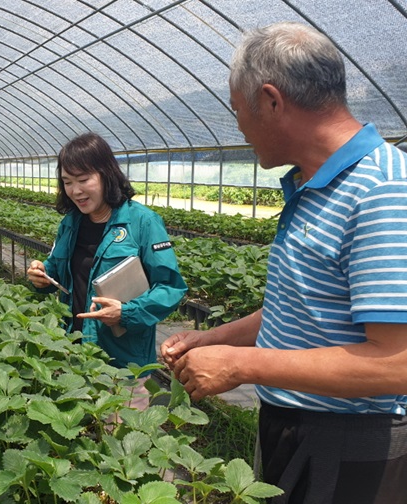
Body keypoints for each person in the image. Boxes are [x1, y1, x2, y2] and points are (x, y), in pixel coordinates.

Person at [160, 22, 407, 503]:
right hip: (295, 427)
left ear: (272, 101)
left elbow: (398, 361)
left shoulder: (383, 191)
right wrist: (211, 338)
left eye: (238, 110)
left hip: (352, 446)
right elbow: (298, 308)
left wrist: (241, 364)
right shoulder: (312, 186)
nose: (237, 126)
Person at [27, 132, 187, 410]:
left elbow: (171, 287)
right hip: (73, 354)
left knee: (120, 441)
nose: (75, 190)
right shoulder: (70, 224)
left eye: (83, 179)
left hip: (123, 364)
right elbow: (58, 269)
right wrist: (42, 276)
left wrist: (126, 313)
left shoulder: (143, 222)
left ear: (105, 174)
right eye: (67, 182)